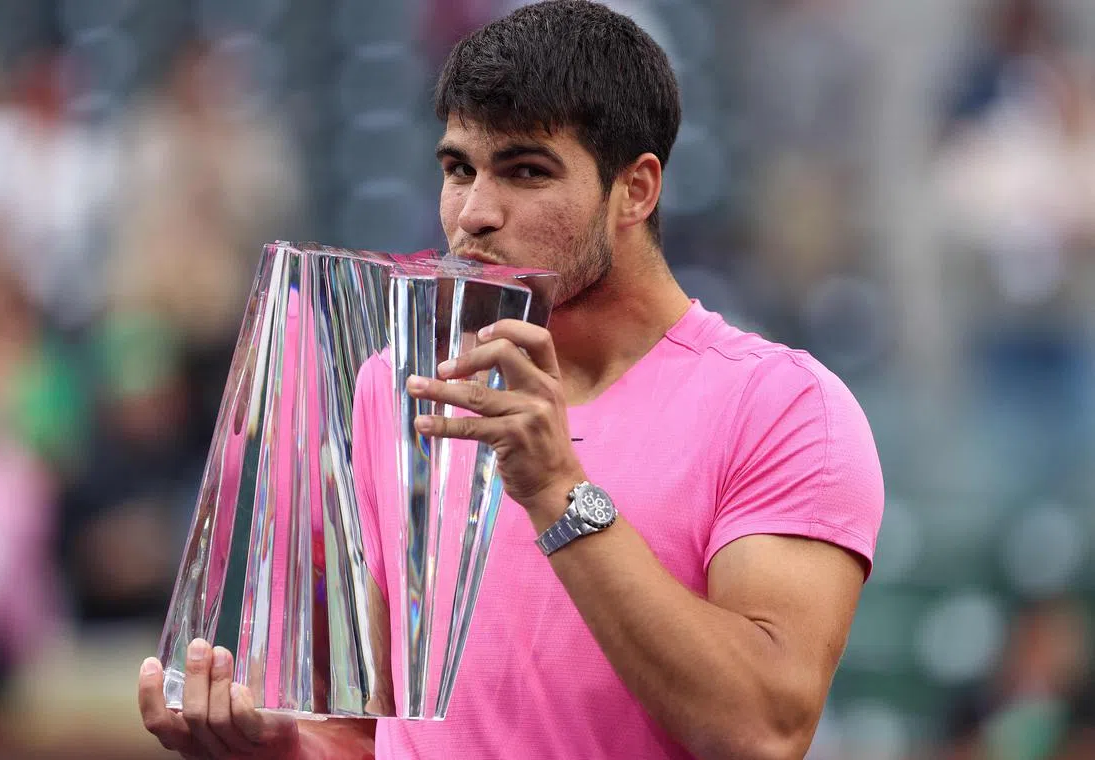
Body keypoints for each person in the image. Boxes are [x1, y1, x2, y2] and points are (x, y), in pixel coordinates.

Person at [137, 2, 883, 758]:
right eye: (459, 168)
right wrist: (281, 751)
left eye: (526, 171)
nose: (474, 214)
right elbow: (373, 736)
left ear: (637, 190)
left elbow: (763, 731)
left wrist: (557, 489)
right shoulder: (397, 389)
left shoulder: (784, 409)